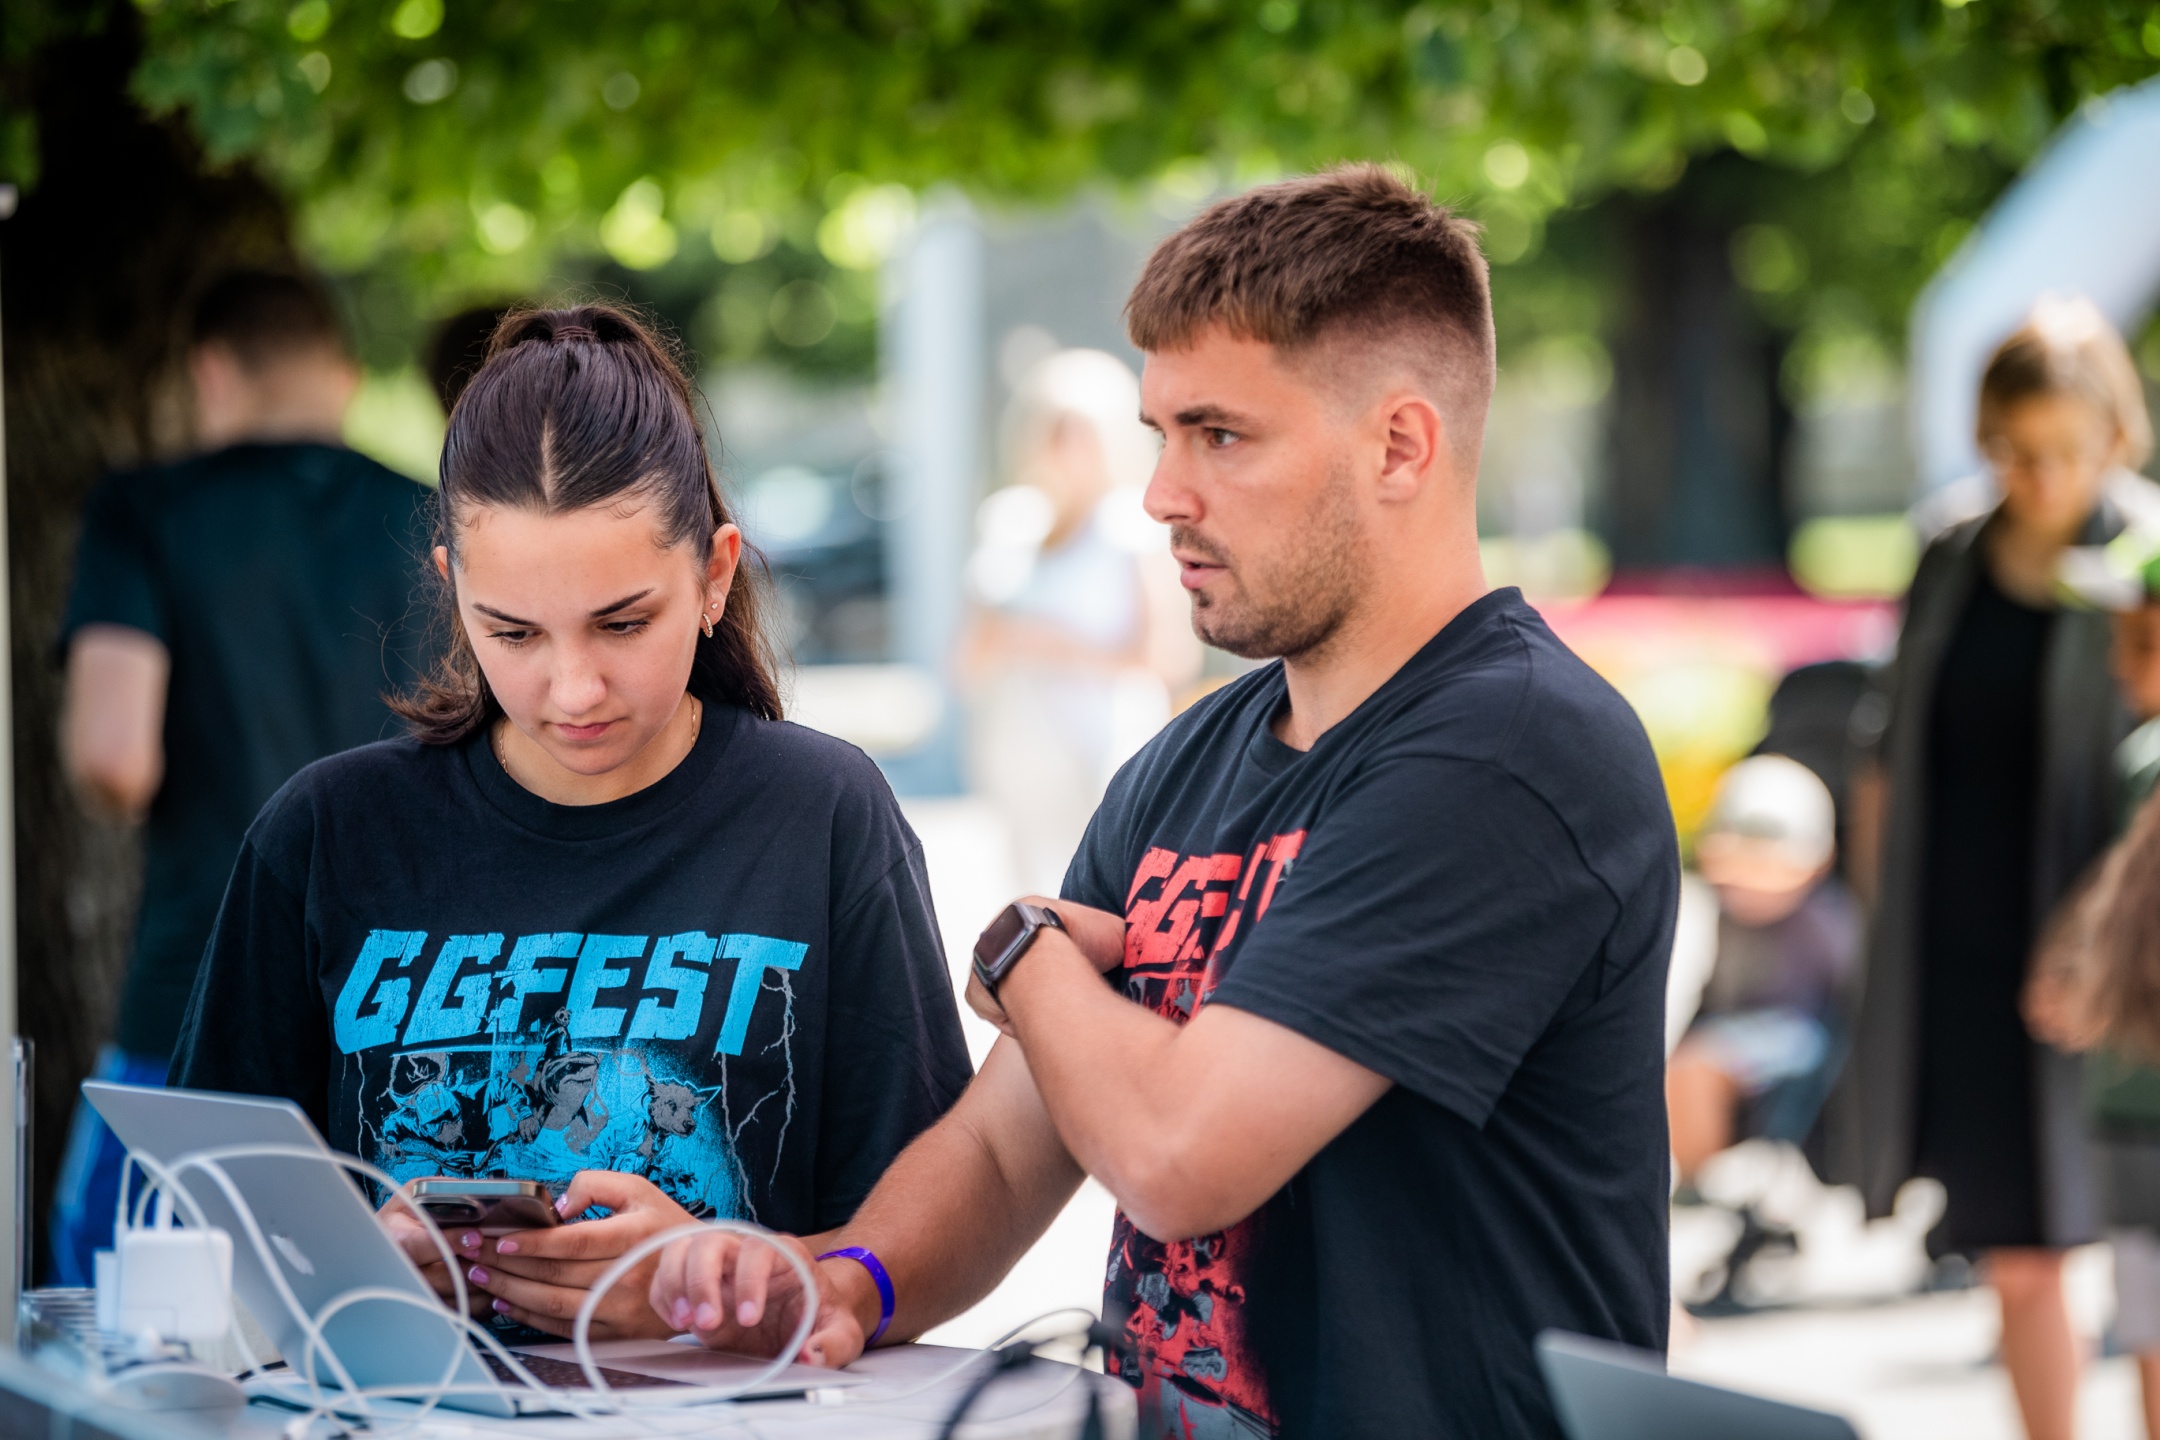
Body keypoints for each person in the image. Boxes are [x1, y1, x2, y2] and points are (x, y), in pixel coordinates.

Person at [650, 166, 1679, 1439]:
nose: (1162, 496)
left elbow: (1177, 1157)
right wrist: (841, 1282)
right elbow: (1006, 1151)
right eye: (1160, 436)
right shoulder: (1187, 761)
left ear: (1401, 446)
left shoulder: (1511, 750)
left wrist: (1026, 952)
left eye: (1221, 436)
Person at [168, 304, 973, 1344]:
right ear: (452, 590)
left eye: (623, 623)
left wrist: (715, 1288)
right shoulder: (327, 831)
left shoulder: (821, 814)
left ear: (715, 573)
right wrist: (351, 1267)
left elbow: (936, 1235)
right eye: (513, 633)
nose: (574, 688)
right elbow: (201, 1223)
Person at [49, 269, 431, 1286]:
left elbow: (114, 756)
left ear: (210, 373)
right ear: (345, 376)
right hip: (404, 1005)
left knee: (125, 1306)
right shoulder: (434, 520)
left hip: (199, 990)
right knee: (370, 1317)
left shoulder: (145, 510)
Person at [1833, 296, 2160, 1440]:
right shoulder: (1950, 553)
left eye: (2067, 450)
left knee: (2145, 1262)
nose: (2041, 478)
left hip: (2121, 965)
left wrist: (2099, 940)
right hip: (1967, 955)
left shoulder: (2146, 556)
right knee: (2020, 1256)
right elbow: (1889, 743)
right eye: (2015, 452)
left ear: (2117, 434)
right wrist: (1877, 916)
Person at [958, 348, 1201, 895]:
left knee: (1106, 897)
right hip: (1020, 750)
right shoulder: (1009, 522)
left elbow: (1166, 657)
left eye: (1080, 432)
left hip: (1103, 748)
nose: (1066, 449)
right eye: (1054, 431)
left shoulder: (1129, 528)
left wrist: (1048, 643)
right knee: (1033, 900)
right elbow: (968, 655)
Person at [2025, 554, 2160, 1440]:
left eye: (2143, 642)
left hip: (2139, 1113)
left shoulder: (2149, 758)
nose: (2119, 664)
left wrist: (2078, 971)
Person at [1667, 754, 1859, 1187]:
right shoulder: (1705, 915)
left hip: (1805, 1045)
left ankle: (1724, 1176)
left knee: (1698, 1066)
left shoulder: (1827, 924)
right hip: (1723, 1041)